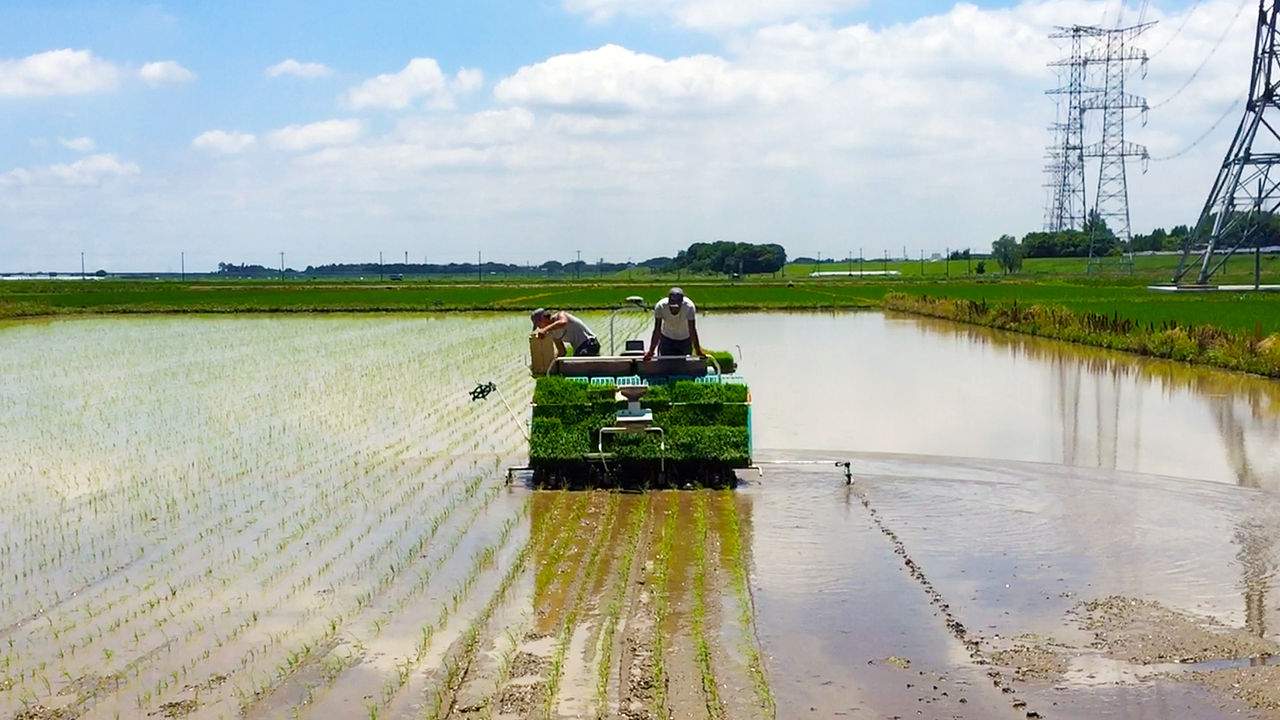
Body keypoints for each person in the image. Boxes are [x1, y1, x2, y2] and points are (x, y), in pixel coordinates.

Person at [644, 287, 703, 359]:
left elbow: (692, 330)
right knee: (665, 364)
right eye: (672, 305)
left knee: (685, 366)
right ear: (668, 301)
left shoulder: (689, 307)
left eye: (677, 307)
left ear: (682, 302)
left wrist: (698, 351)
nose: (674, 309)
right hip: (667, 339)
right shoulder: (660, 306)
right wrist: (651, 351)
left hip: (685, 340)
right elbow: (657, 330)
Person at [531, 308, 601, 357]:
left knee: (578, 368)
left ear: (543, 318)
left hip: (589, 343)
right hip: (579, 349)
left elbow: (563, 322)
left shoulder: (560, 315)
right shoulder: (552, 332)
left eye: (538, 325)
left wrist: (545, 330)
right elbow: (562, 352)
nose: (540, 328)